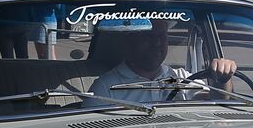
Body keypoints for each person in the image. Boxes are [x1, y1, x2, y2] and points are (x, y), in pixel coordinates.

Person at [89, 21, 236, 105]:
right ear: (129, 41)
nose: (157, 43)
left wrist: (223, 77)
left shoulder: (181, 77)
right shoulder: (104, 87)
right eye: (148, 36)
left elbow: (216, 101)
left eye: (162, 36)